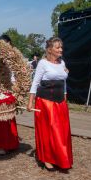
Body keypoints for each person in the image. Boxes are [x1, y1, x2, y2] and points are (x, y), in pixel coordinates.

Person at [27, 37, 73, 171]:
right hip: (45, 102)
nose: (61, 50)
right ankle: (47, 158)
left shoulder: (62, 62)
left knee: (61, 131)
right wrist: (30, 102)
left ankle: (60, 158)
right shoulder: (42, 63)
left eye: (61, 47)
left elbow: (64, 83)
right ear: (50, 49)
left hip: (60, 102)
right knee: (48, 130)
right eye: (58, 47)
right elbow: (35, 83)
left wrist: (65, 99)